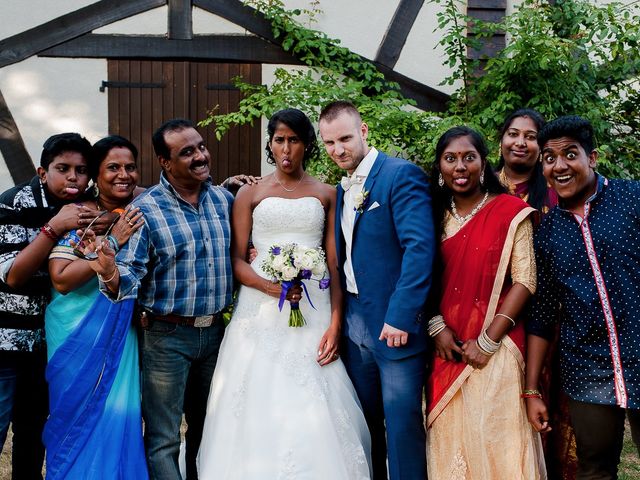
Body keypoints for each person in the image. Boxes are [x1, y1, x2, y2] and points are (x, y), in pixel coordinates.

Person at [197, 108, 371, 479]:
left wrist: (336, 323)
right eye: (279, 140)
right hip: (259, 311)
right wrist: (268, 286)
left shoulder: (327, 193)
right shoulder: (250, 193)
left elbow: (335, 263)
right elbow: (236, 260)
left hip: (315, 308)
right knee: (256, 395)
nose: (286, 148)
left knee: (314, 397)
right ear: (270, 144)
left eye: (294, 139)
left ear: (307, 144)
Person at [86, 118, 259, 479]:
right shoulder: (144, 211)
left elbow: (243, 253)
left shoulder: (224, 201)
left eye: (201, 146)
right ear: (165, 162)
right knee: (164, 439)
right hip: (166, 337)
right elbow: (129, 276)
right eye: (187, 152)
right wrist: (109, 272)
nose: (200, 156)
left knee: (209, 428)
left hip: (216, 335)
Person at [318, 100, 434, 480]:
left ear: (364, 131)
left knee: (401, 428)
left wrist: (401, 316)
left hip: (394, 324)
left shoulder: (401, 176)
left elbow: (419, 249)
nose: (338, 150)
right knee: (364, 427)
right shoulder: (340, 188)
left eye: (346, 139)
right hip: (353, 323)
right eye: (330, 143)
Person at [426, 126, 546, 479]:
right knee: (452, 444)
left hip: (498, 347)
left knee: (499, 445)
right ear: (439, 166)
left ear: (484, 163)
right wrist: (435, 325)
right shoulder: (430, 214)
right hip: (446, 349)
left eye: (469, 158)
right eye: (450, 159)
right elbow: (419, 275)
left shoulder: (511, 211)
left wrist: (489, 340)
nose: (460, 167)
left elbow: (526, 279)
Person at [526, 115, 640, 480]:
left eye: (569, 154)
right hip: (588, 370)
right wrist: (531, 389)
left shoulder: (632, 199)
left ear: (592, 158)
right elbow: (542, 315)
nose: (559, 165)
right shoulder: (548, 233)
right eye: (548, 157)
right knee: (594, 469)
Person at [0, 132, 106, 480]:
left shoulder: (88, 206)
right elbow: (13, 276)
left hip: (48, 343)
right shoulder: (12, 204)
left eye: (81, 170)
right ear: (42, 171)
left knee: (32, 435)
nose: (73, 178)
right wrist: (54, 227)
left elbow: (131, 194)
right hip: (6, 340)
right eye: (63, 169)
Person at [42, 135, 147, 479]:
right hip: (75, 331)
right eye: (112, 168)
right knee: (75, 413)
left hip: (119, 329)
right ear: (96, 176)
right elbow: (60, 277)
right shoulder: (84, 215)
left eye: (130, 167)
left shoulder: (141, 208)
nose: (123, 175)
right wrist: (112, 243)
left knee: (118, 413)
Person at [496, 108, 558, 214]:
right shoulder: (483, 185)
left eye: (530, 137)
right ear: (501, 142)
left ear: (541, 147)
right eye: (513, 134)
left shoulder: (556, 190)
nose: (520, 143)